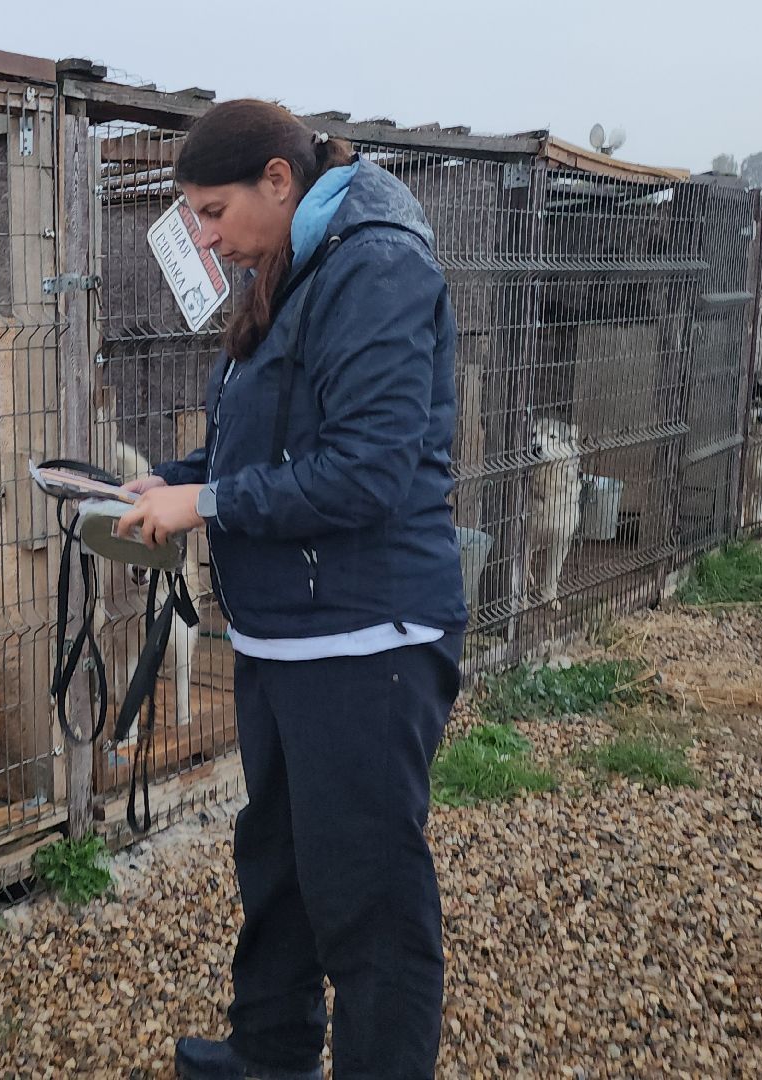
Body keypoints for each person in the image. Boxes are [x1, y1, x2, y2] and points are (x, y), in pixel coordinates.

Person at [114, 100, 468, 1080]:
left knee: (368, 900)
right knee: (275, 868)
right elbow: (266, 437)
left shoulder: (376, 267)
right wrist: (173, 481)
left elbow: (368, 471)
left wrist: (209, 502)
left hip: (367, 637)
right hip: (286, 635)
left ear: (280, 179)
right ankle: (268, 1054)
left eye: (213, 210)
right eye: (191, 215)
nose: (203, 234)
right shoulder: (292, 265)